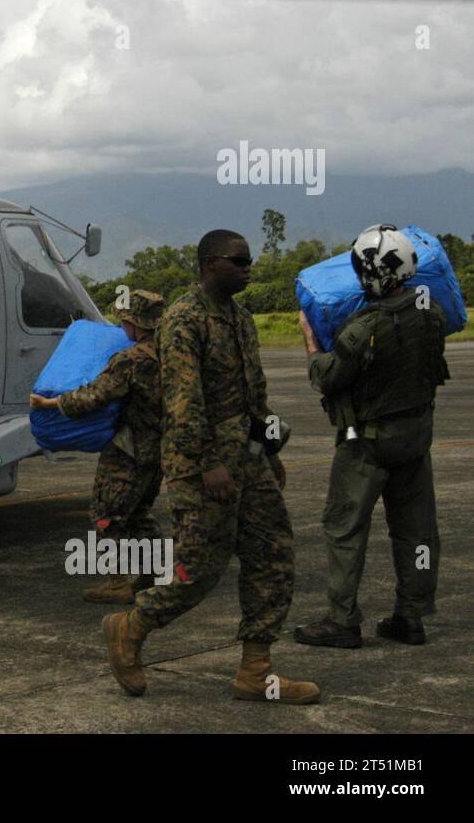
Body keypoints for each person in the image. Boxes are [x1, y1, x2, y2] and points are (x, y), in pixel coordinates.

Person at [103, 230, 321, 704]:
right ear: (209, 264)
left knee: (273, 555)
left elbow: (254, 394)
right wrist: (206, 463)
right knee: (199, 568)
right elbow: (183, 401)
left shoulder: (240, 317)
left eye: (249, 260)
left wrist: (270, 450)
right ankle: (130, 626)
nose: (248, 268)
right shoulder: (184, 318)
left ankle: (255, 670)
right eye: (238, 260)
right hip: (200, 465)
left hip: (248, 459)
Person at [294, 224, 449, 648]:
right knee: (417, 531)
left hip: (367, 444)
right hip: (416, 440)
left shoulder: (363, 328)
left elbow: (328, 377)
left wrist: (310, 344)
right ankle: (411, 616)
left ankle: (343, 620)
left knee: (344, 528)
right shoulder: (432, 312)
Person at [31, 290, 166, 603]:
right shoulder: (173, 355)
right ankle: (152, 574)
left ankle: (117, 582)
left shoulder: (130, 359)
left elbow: (94, 396)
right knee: (139, 513)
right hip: (159, 450)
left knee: (106, 513)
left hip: (128, 448)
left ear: (133, 322)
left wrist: (51, 403)